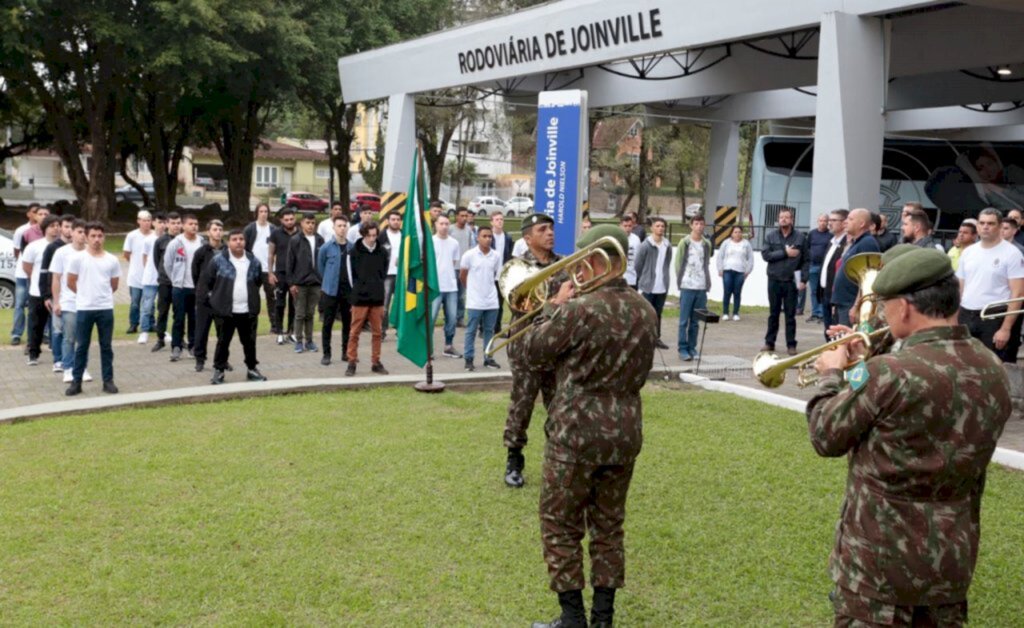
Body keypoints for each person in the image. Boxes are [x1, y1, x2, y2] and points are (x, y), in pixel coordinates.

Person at [807, 247, 1011, 627]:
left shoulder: (889, 374)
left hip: (878, 570)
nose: (882, 313)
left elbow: (825, 435)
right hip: (949, 563)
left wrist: (832, 374)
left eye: (884, 306)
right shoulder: (993, 368)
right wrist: (865, 361)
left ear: (903, 308)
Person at [522, 224, 657, 628]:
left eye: (581, 262)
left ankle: (572, 618)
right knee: (608, 526)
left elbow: (531, 352)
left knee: (560, 523)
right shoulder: (647, 310)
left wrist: (553, 307)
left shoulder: (579, 309)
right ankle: (603, 619)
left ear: (599, 261)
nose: (575, 271)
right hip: (625, 431)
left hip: (576, 432)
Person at [503, 213, 564, 489]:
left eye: (551, 228)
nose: (550, 233)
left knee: (560, 408)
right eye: (543, 229)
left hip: (556, 349)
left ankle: (558, 461)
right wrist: (556, 300)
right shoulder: (516, 268)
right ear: (528, 238)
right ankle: (514, 460)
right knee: (522, 405)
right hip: (526, 347)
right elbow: (520, 306)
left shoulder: (564, 266)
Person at [956, 208, 1024, 363]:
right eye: (982, 223)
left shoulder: (1012, 254)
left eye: (991, 223)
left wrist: (1005, 328)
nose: (985, 226)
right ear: (977, 226)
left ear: (1000, 226)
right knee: (965, 364)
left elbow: (1018, 294)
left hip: (995, 316)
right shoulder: (968, 252)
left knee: (993, 366)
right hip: (966, 314)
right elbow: (960, 286)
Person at [199, 229, 267, 385]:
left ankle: (252, 369)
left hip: (247, 310)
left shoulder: (253, 261)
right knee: (223, 342)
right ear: (228, 242)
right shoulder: (218, 260)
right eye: (234, 239)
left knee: (249, 342)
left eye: (241, 239)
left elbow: (257, 281)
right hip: (225, 311)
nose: (238, 242)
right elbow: (207, 282)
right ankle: (219, 370)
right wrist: (215, 301)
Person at [66, 222, 121, 396]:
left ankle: (108, 380)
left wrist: (101, 296)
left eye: (100, 236)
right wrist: (84, 295)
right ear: (87, 237)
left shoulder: (112, 259)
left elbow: (114, 284)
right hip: (84, 308)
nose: (97, 240)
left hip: (105, 308)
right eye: (93, 236)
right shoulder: (78, 258)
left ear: (104, 237)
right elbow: (70, 281)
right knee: (82, 345)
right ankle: (76, 382)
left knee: (106, 346)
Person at [761, 207, 808, 356]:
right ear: (778, 219)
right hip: (774, 279)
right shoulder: (771, 236)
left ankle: (791, 344)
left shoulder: (800, 237)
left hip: (790, 281)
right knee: (773, 313)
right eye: (781, 217)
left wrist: (804, 280)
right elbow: (766, 255)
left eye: (786, 217)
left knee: (790, 315)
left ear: (792, 219)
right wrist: (785, 253)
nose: (784, 220)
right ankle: (770, 342)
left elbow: (806, 260)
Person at [345, 220, 389, 376]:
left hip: (377, 297)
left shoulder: (383, 252)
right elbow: (351, 277)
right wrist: (356, 292)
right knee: (354, 332)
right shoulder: (354, 252)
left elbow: (383, 273)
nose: (372, 239)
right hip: (359, 298)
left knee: (377, 332)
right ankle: (351, 361)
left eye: (375, 236)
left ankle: (376, 362)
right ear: (363, 235)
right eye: (369, 235)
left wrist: (377, 288)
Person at [50, 219, 90, 383]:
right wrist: (56, 301)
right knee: (69, 336)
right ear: (71, 233)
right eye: (79, 232)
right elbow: (56, 278)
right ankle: (68, 367)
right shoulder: (62, 252)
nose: (82, 236)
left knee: (83, 337)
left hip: (87, 302)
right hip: (68, 301)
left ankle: (82, 367)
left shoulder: (90, 252)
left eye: (84, 233)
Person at [460, 224, 502, 371]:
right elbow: (463, 275)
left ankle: (488, 358)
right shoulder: (469, 255)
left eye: (490, 236)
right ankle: (469, 359)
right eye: (484, 236)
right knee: (471, 330)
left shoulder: (496, 256)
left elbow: (496, 275)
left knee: (489, 331)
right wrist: (471, 289)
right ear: (478, 238)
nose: (488, 239)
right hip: (474, 301)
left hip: (491, 300)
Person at [163, 213, 205, 362]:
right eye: (190, 224)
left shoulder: (202, 242)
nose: (194, 226)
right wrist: (175, 279)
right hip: (180, 287)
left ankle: (193, 346)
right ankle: (176, 346)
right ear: (183, 226)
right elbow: (167, 264)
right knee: (178, 318)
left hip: (197, 287)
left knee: (194, 318)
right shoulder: (176, 243)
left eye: (196, 224)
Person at [21, 215, 60, 366]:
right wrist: (38, 281)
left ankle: (58, 354)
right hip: (37, 292)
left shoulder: (62, 246)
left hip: (56, 293)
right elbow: (27, 266)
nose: (55, 228)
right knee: (36, 324)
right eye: (52, 226)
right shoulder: (34, 246)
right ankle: (33, 352)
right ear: (45, 229)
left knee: (57, 325)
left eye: (57, 225)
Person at [831, 208, 880, 327]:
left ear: (862, 223)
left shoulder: (867, 243)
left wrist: (856, 306)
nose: (845, 222)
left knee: (848, 343)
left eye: (850, 219)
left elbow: (867, 278)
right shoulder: (856, 242)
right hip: (843, 303)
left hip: (850, 304)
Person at [674, 214, 713, 361]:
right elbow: (678, 263)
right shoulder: (685, 243)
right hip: (687, 285)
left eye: (702, 224)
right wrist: (682, 280)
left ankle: (692, 348)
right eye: (696, 223)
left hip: (701, 286)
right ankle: (682, 349)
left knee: (696, 321)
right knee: (684, 320)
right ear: (691, 225)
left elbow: (706, 263)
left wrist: (706, 282)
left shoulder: (706, 244)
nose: (699, 226)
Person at [316, 214, 353, 367]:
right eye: (339, 225)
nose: (342, 228)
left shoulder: (352, 247)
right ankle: (326, 353)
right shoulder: (326, 247)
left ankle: (346, 352)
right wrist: (328, 281)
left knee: (347, 323)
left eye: (344, 226)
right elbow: (321, 266)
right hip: (330, 291)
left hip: (348, 292)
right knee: (328, 323)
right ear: (333, 227)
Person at [39, 214, 73, 371]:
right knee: (57, 328)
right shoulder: (53, 248)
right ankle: (57, 359)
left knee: (72, 329)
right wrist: (46, 295)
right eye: (66, 226)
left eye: (72, 227)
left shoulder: (80, 247)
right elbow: (45, 272)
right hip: (56, 294)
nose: (69, 230)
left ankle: (71, 359)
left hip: (74, 295)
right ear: (60, 228)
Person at [190, 219, 225, 371]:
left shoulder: (227, 251)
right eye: (215, 229)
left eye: (220, 229)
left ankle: (222, 359)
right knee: (201, 330)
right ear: (208, 232)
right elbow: (195, 274)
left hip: (222, 298)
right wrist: (203, 290)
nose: (218, 232)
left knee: (223, 332)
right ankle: (200, 359)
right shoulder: (201, 252)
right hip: (204, 298)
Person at [286, 212, 324, 353]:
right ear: (301, 223)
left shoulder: (320, 240)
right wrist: (291, 283)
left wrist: (322, 281)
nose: (310, 226)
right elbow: (290, 262)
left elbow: (323, 262)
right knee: (300, 314)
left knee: (310, 313)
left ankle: (309, 341)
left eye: (313, 223)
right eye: (307, 223)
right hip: (300, 283)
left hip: (316, 283)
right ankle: (298, 341)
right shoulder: (296, 240)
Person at [10, 204, 46, 346]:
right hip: (22, 274)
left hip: (39, 275)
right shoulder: (22, 231)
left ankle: (44, 334)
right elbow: (17, 251)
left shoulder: (48, 230)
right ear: (29, 214)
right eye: (35, 212)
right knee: (19, 304)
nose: (39, 215)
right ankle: (16, 333)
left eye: (42, 213)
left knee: (41, 305)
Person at [634, 216, 672, 348]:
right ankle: (644, 339)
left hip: (662, 286)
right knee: (646, 314)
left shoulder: (667, 245)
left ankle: (656, 338)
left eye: (662, 226)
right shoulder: (646, 245)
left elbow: (667, 262)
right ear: (652, 228)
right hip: (648, 286)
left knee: (658, 313)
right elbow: (638, 264)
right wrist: (644, 278)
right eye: (657, 226)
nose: (660, 228)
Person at [431, 215, 462, 359]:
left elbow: (454, 262)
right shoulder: (430, 242)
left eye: (447, 224)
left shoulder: (454, 243)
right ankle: (427, 347)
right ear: (436, 224)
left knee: (452, 318)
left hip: (450, 286)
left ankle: (448, 346)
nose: (444, 226)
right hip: (435, 287)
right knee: (431, 317)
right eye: (441, 223)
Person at [244, 203, 278, 334]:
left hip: (269, 269)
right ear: (257, 213)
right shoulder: (250, 229)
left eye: (266, 211)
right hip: (253, 269)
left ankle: (274, 325)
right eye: (261, 211)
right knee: (252, 297)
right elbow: (244, 248)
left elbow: (277, 248)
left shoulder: (273, 229)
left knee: (271, 297)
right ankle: (251, 325)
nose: (264, 214)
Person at [151, 212, 181, 352]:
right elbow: (157, 261)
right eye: (173, 223)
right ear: (167, 224)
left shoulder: (183, 240)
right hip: (164, 282)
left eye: (178, 223)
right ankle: (160, 338)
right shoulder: (161, 241)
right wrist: (164, 275)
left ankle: (179, 339)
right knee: (162, 312)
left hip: (180, 283)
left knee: (179, 313)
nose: (176, 226)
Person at [268, 208, 299, 344]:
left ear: (295, 219)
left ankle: (291, 332)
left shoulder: (300, 234)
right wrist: (270, 273)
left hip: (296, 274)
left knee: (294, 304)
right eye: (286, 220)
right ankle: (279, 332)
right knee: (280, 303)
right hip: (280, 273)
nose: (289, 222)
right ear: (281, 220)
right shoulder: (275, 233)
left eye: (291, 219)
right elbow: (270, 254)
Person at [122, 209, 153, 335]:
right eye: (144, 220)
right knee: (135, 302)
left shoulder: (155, 235)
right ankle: (133, 324)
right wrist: (136, 264)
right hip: (135, 276)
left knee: (150, 302)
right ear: (138, 221)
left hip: (150, 275)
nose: (146, 223)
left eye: (148, 220)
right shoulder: (132, 236)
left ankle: (151, 323)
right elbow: (126, 254)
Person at [820, 209, 849, 340]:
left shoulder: (846, 245)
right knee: (827, 329)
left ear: (844, 223)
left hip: (836, 295)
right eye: (829, 220)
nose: (829, 223)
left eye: (833, 220)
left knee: (835, 331)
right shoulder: (831, 241)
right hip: (825, 293)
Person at [138, 212, 166, 345]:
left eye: (163, 223)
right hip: (150, 278)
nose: (161, 225)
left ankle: (162, 330)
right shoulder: (148, 240)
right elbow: (144, 258)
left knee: (163, 307)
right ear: (153, 223)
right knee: (147, 305)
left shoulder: (169, 239)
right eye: (159, 222)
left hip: (164, 279)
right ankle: (144, 330)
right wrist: (149, 271)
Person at [716, 225, 754, 322]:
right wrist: (720, 269)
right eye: (735, 232)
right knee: (727, 292)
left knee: (737, 292)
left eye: (739, 232)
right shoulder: (726, 243)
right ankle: (725, 313)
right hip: (727, 270)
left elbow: (750, 258)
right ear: (732, 233)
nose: (737, 234)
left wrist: (747, 271)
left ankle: (736, 313)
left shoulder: (746, 244)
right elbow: (720, 256)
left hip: (740, 272)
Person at [450, 206, 477, 326]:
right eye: (462, 216)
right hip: (451, 268)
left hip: (464, 268)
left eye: (466, 216)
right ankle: (450, 317)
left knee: (461, 296)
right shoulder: (450, 229)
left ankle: (459, 318)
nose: (464, 218)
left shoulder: (469, 231)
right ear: (456, 216)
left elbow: (472, 247)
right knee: (451, 296)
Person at [490, 211, 515, 335]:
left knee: (500, 304)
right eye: (497, 219)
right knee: (488, 303)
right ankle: (483, 328)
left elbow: (510, 256)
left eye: (501, 219)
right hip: (490, 275)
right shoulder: (488, 236)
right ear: (492, 222)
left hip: (502, 276)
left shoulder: (508, 237)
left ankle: (497, 328)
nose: (500, 221)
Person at [806, 213, 832, 322]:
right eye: (820, 220)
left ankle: (822, 314)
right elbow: (807, 247)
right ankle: (815, 313)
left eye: (824, 221)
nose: (822, 223)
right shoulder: (812, 234)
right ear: (818, 221)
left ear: (828, 222)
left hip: (824, 267)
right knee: (813, 291)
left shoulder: (830, 236)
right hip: (812, 265)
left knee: (822, 290)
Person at [382, 210, 403, 341]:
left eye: (398, 219)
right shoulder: (381, 236)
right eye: (393, 219)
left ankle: (400, 331)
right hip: (387, 275)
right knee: (384, 305)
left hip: (402, 275)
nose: (395, 222)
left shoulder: (405, 235)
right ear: (388, 221)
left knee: (401, 304)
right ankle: (382, 331)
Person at [619, 213, 642, 290]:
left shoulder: (636, 239)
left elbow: (638, 258)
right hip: (619, 277)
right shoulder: (616, 238)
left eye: (630, 226)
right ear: (620, 226)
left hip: (632, 278)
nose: (627, 228)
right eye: (625, 226)